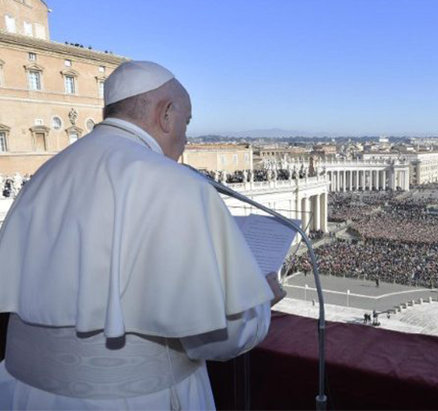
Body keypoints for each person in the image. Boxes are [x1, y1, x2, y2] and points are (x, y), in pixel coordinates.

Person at [0, 61, 285, 409]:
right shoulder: (177, 185)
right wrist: (260, 305)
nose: (185, 136)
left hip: (26, 396)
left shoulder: (44, 176)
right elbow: (219, 335)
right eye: (186, 121)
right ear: (166, 114)